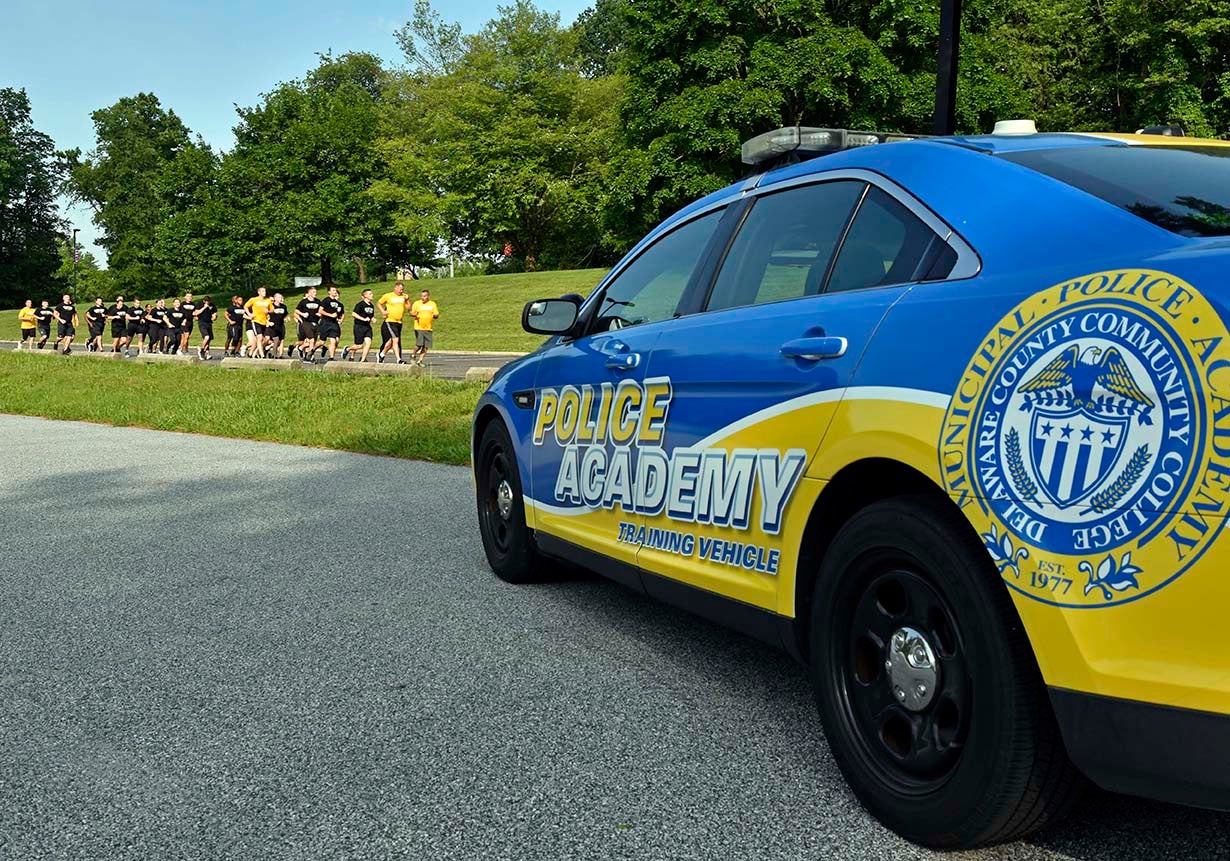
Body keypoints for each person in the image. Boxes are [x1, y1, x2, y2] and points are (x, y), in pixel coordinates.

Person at [377, 282, 409, 364]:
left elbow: (409, 308)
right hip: (390, 321)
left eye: (402, 289)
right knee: (396, 340)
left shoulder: (403, 297)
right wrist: (383, 311)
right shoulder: (388, 296)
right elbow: (379, 303)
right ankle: (399, 359)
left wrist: (407, 300)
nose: (401, 291)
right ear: (396, 288)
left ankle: (382, 354)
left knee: (391, 342)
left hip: (399, 322)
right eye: (400, 289)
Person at [342, 288, 376, 363]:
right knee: (359, 345)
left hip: (367, 327)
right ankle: (347, 349)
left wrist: (373, 319)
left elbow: (371, 316)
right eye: (370, 294)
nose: (372, 295)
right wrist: (363, 319)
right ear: (365, 296)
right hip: (359, 326)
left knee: (368, 343)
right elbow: (353, 314)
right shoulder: (360, 305)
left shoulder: (371, 306)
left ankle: (363, 360)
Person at [410, 288, 439, 367]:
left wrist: (435, 315)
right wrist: (414, 314)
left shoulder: (432, 304)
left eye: (424, 296)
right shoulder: (417, 303)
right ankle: (413, 355)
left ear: (428, 296)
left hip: (428, 328)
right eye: (422, 296)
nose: (423, 298)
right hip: (418, 327)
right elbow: (411, 313)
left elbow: (436, 314)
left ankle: (420, 360)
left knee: (426, 346)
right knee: (419, 344)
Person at [293, 286, 322, 362]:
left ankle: (305, 353)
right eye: (313, 292)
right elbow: (296, 311)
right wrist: (303, 314)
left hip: (315, 323)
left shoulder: (318, 301)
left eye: (315, 292)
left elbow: (321, 310)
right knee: (311, 340)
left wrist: (320, 314)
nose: (315, 294)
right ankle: (310, 357)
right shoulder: (304, 302)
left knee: (314, 341)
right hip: (306, 323)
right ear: (308, 293)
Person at [242, 286, 272, 358]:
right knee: (259, 337)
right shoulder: (254, 300)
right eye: (262, 291)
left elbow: (272, 310)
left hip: (265, 322)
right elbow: (245, 306)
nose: (264, 293)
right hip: (256, 321)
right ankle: (262, 355)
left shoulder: (268, 301)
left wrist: (268, 311)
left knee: (267, 339)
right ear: (259, 292)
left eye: (265, 291)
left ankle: (251, 352)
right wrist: (249, 314)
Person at [317, 285, 344, 361]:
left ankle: (331, 357)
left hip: (333, 324)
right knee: (322, 342)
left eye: (335, 290)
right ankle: (312, 350)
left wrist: (339, 319)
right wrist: (330, 315)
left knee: (333, 340)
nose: (335, 292)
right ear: (329, 292)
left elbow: (341, 313)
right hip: (325, 323)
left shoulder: (338, 304)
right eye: (333, 290)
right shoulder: (326, 300)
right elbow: (320, 311)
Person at [266, 293, 289, 358]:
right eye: (279, 297)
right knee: (276, 340)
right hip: (273, 325)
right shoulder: (271, 306)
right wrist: (268, 322)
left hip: (281, 325)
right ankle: (274, 355)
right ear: (275, 298)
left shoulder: (284, 306)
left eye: (281, 298)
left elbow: (286, 314)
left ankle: (281, 355)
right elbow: (265, 315)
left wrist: (286, 318)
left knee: (281, 340)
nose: (281, 299)